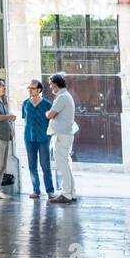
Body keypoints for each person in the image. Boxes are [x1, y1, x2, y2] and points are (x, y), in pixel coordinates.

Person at [20, 79, 54, 199]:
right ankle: (36, 190)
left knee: (45, 165)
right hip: (29, 139)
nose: (30, 90)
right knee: (32, 166)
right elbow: (25, 119)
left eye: (32, 88)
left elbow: (52, 120)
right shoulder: (25, 104)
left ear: (39, 89)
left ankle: (50, 191)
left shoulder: (47, 104)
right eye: (29, 88)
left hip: (43, 138)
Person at [45, 73, 77, 203]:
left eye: (51, 83)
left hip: (62, 135)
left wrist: (47, 113)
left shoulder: (62, 97)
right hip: (65, 135)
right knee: (65, 165)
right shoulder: (65, 96)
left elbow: (50, 115)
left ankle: (66, 194)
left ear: (56, 83)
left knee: (62, 165)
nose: (50, 85)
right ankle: (71, 193)